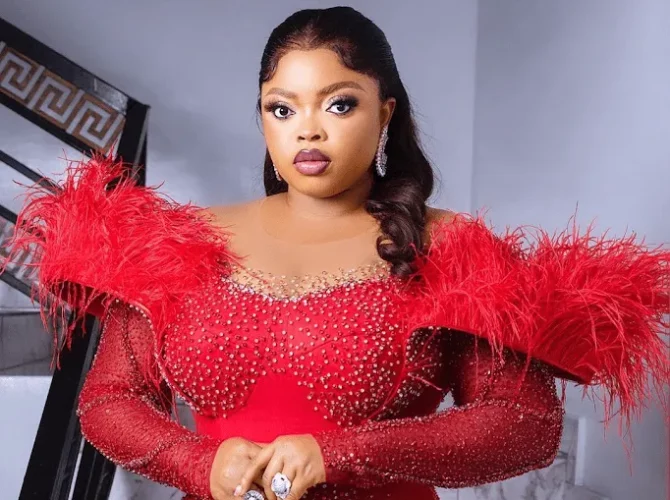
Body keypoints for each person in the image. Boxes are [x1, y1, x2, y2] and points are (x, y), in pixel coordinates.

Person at [2, 6, 668, 500]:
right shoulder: (183, 240)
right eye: (282, 109)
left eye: (339, 105)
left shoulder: (454, 248)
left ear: (385, 113)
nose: (308, 131)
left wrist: (340, 454)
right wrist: (197, 463)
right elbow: (108, 401)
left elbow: (525, 425)